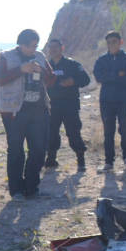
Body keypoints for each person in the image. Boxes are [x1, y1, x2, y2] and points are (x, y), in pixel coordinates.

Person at [0, 29, 56, 199]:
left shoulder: (40, 56)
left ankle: (31, 186)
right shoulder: (5, 56)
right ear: (21, 44)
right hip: (14, 111)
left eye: (35, 46)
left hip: (39, 110)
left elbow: (51, 80)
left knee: (38, 150)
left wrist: (41, 71)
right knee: (15, 150)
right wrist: (21, 70)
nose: (33, 49)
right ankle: (16, 189)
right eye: (30, 46)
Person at [43, 38, 91, 171]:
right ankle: (51, 160)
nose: (53, 50)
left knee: (73, 132)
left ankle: (81, 160)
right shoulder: (46, 66)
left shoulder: (72, 64)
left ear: (62, 48)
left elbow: (86, 80)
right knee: (51, 133)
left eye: (56, 47)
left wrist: (73, 81)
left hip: (70, 105)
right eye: (50, 47)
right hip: (51, 105)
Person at [92, 31, 126, 171]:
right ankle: (109, 162)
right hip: (106, 101)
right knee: (108, 132)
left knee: (125, 128)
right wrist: (117, 74)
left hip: (124, 100)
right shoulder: (101, 60)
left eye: (114, 42)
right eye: (109, 42)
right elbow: (98, 77)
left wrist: (109, 76)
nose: (111, 45)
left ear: (120, 42)